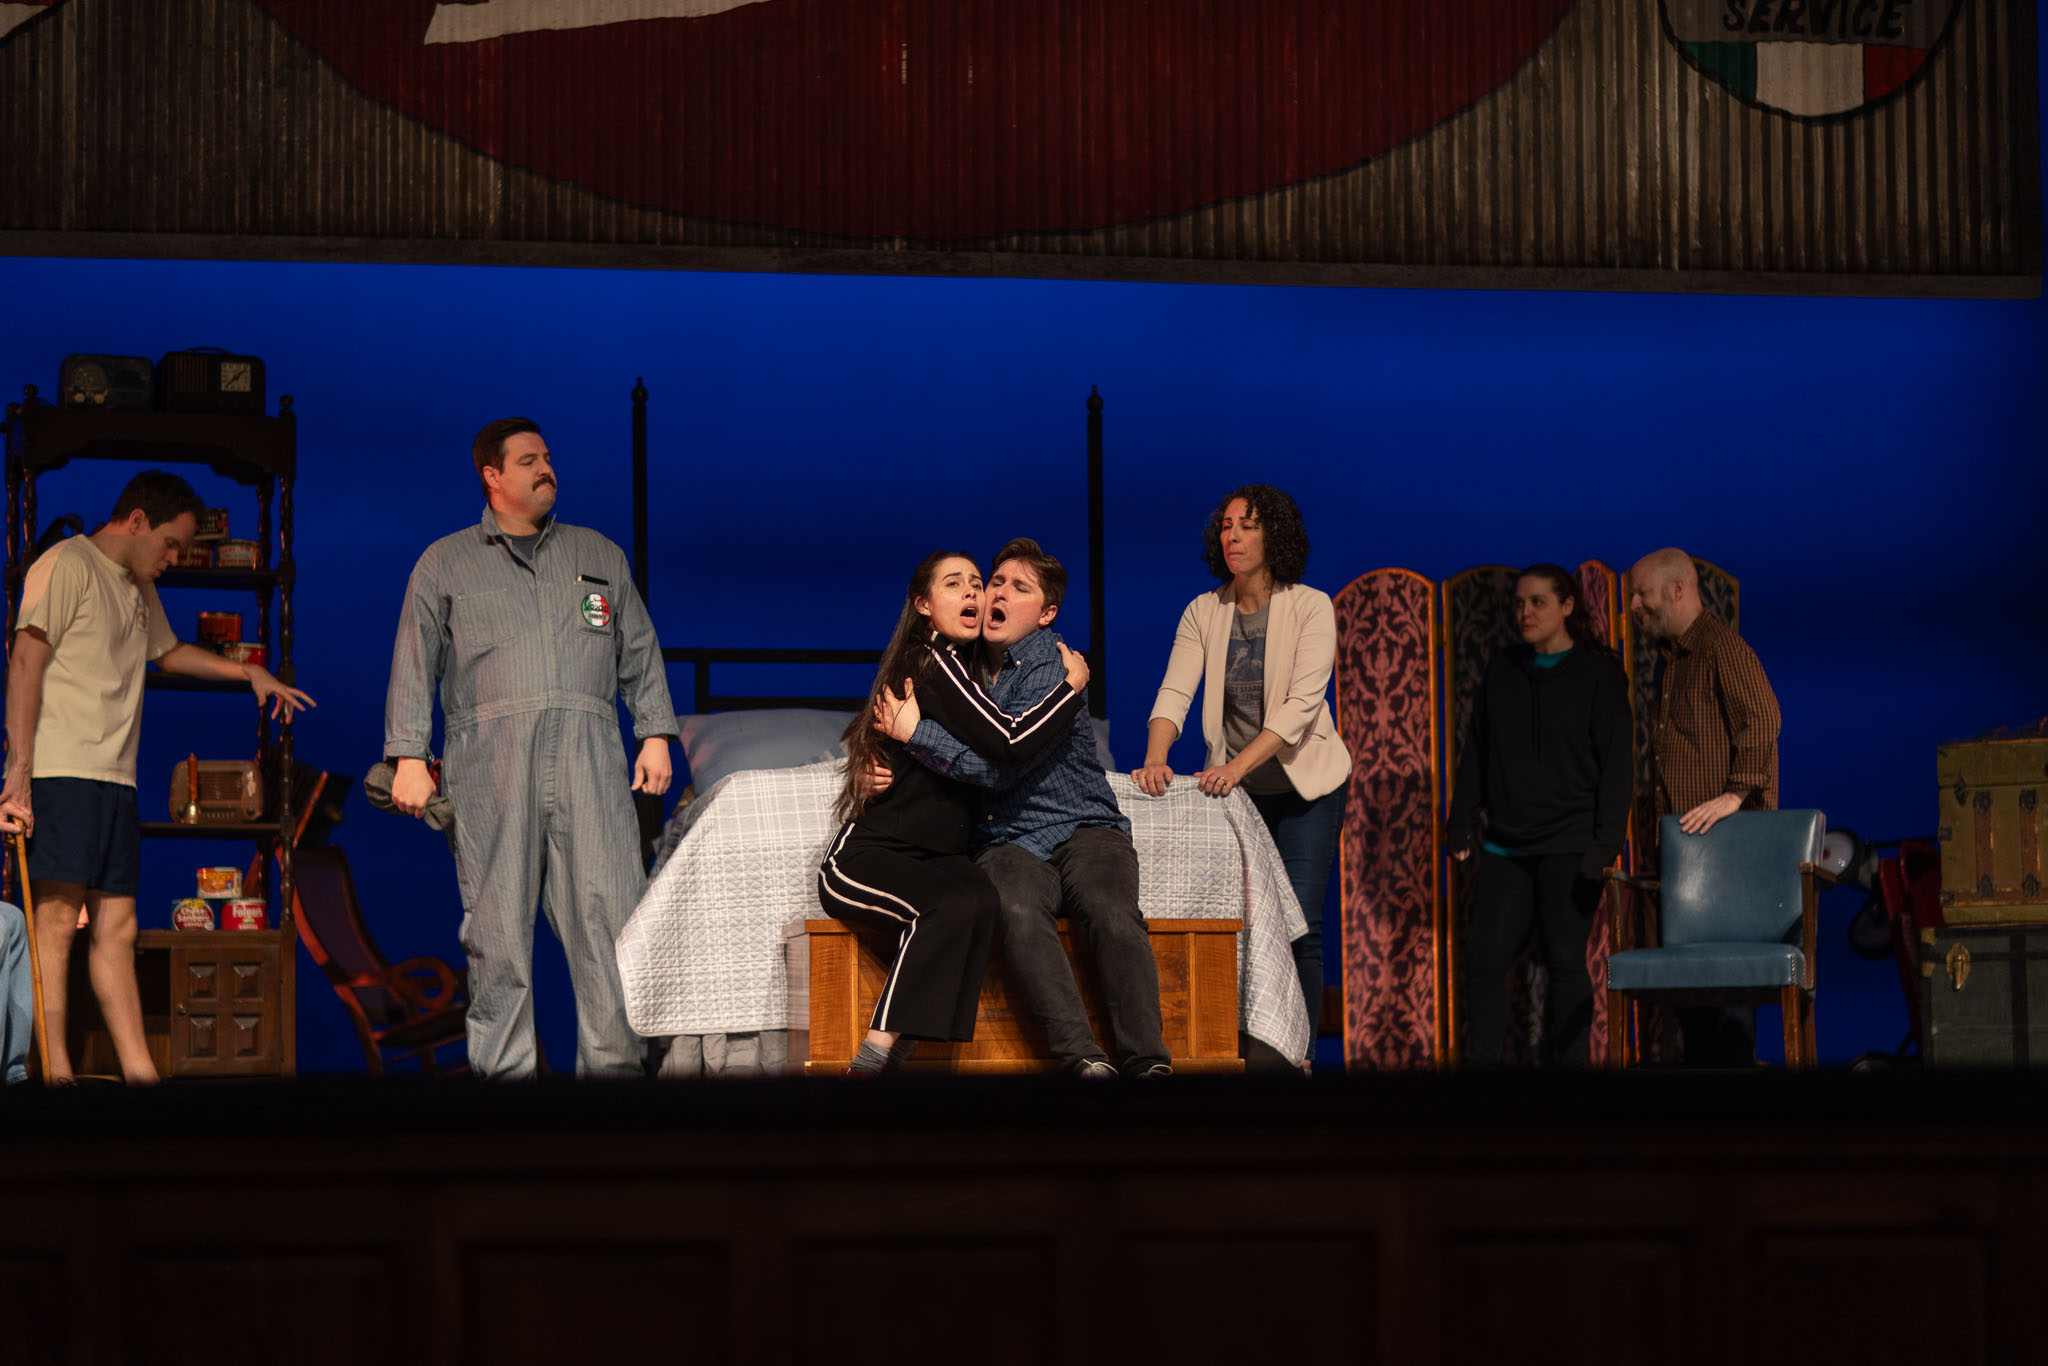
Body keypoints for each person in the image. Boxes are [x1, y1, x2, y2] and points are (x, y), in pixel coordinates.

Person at [0, 471, 315, 1085]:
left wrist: (248, 673)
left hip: (117, 780)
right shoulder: (66, 564)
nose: (174, 558)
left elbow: (168, 652)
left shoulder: (137, 584)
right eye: (171, 543)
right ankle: (57, 1077)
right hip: (62, 772)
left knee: (116, 928)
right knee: (55, 925)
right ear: (138, 520)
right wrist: (19, 772)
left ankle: (142, 1078)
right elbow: (25, 662)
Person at [384, 417, 676, 1080]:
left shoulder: (598, 555)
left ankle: (615, 1085)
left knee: (610, 925)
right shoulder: (446, 561)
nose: (546, 468)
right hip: (491, 763)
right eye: (528, 460)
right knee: (498, 937)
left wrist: (655, 733)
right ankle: (505, 1095)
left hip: (590, 759)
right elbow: (414, 661)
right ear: (492, 475)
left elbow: (638, 649)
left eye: (547, 457)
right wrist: (407, 755)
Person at [883, 539, 1173, 1080]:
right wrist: (874, 762)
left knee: (1111, 912)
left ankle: (1149, 1063)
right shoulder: (958, 662)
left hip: (1082, 824)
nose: (997, 594)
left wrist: (918, 735)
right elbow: (894, 708)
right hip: (1007, 836)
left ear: (1045, 614)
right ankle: (1084, 1061)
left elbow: (1004, 764)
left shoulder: (1051, 663)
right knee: (1015, 910)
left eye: (1019, 588)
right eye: (995, 582)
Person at [824, 549, 1091, 1076]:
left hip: (937, 858)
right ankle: (870, 1062)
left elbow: (995, 761)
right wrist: (1069, 689)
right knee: (948, 906)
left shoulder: (973, 673)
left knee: (980, 902)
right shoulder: (932, 661)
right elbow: (1010, 742)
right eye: (953, 583)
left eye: (975, 582)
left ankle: (893, 1061)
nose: (972, 591)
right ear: (923, 605)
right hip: (869, 856)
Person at [1134, 485, 1351, 1061]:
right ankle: (1237, 1052)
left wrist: (1234, 767)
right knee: (1237, 922)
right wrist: (1156, 757)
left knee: (1299, 923)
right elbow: (1175, 692)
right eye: (1226, 525)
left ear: (1274, 536)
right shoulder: (1205, 610)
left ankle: (1299, 1058)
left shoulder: (1311, 606)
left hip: (1306, 788)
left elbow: (1300, 706)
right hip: (1237, 794)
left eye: (1248, 525)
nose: (1232, 535)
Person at [1444, 564, 1632, 1066]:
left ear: (1567, 606)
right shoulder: (1503, 668)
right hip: (1507, 844)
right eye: (1519, 603)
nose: (1524, 612)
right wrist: (1461, 822)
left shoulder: (1599, 675)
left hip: (1571, 843)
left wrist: (1605, 846)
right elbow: (1477, 752)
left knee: (1565, 960)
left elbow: (1618, 768)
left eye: (1538, 602)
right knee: (1484, 960)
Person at [1628, 546, 1782, 1066]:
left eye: (1642, 594)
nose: (1634, 605)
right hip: (1687, 852)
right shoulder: (1670, 661)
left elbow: (1764, 717)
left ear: (1677, 589)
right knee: (1693, 995)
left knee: (1728, 992)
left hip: (1728, 852)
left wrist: (1735, 794)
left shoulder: (1721, 648)